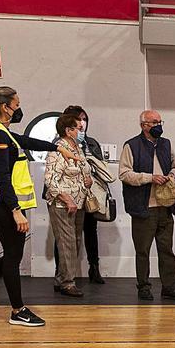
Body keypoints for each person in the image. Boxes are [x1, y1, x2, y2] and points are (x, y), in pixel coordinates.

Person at [0, 86, 77, 327]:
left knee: (12, 255)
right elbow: (2, 178)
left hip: (0, 204)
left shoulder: (3, 132)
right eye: (16, 105)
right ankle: (17, 310)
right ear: (4, 107)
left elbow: (26, 140)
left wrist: (58, 147)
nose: (19, 109)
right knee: (12, 257)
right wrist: (16, 210)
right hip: (2, 205)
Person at [120, 110, 175, 302]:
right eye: (154, 122)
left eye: (160, 121)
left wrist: (173, 176)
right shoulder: (131, 145)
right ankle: (143, 286)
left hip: (165, 206)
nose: (158, 125)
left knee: (166, 248)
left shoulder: (166, 144)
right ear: (143, 125)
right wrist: (150, 178)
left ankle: (169, 286)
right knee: (143, 250)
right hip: (143, 207)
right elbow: (124, 174)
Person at [44, 112, 93, 297]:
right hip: (62, 205)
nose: (82, 129)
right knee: (67, 243)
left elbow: (82, 169)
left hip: (79, 203)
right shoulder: (58, 149)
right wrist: (66, 198)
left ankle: (61, 277)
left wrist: (87, 180)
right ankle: (67, 282)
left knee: (75, 241)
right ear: (68, 130)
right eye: (78, 127)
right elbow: (50, 180)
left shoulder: (78, 148)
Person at [63, 105, 106, 284]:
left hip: (89, 193)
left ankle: (94, 267)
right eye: (78, 120)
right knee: (66, 235)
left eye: (84, 120)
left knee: (91, 230)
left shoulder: (91, 143)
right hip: (68, 195)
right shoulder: (60, 143)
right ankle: (63, 273)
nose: (82, 124)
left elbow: (101, 167)